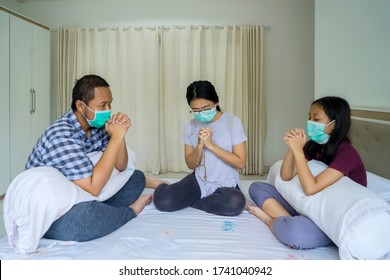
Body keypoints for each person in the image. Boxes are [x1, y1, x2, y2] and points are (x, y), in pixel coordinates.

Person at [25, 74, 164, 242]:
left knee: (136, 178)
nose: (108, 110)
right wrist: (116, 137)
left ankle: (104, 213)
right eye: (102, 105)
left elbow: (121, 166)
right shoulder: (61, 135)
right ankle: (130, 211)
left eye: (110, 104)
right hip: (50, 209)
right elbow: (93, 188)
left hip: (81, 193)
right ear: (81, 106)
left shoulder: (95, 126)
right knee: (83, 221)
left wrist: (119, 135)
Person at [247, 96, 367, 249]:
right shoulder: (314, 145)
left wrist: (298, 151)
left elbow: (311, 188)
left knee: (296, 234)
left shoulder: (346, 153)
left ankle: (270, 221)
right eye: (309, 117)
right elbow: (286, 175)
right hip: (308, 206)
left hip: (329, 218)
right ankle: (289, 221)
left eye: (316, 119)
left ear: (335, 124)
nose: (310, 123)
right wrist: (292, 147)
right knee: (257, 187)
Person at [153, 80, 247, 216]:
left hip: (227, 183)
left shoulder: (232, 122)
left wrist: (211, 145)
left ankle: (196, 202)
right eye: (196, 110)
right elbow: (190, 164)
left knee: (236, 202)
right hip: (200, 180)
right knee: (164, 202)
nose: (201, 113)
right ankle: (162, 185)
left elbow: (241, 163)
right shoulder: (189, 126)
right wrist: (200, 145)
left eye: (206, 108)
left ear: (216, 102)